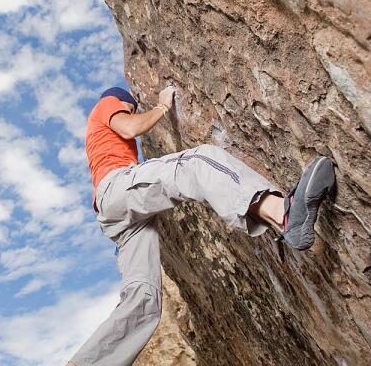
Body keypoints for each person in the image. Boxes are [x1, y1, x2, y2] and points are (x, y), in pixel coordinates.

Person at [67, 86, 336, 366]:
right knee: (196, 163)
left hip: (117, 216)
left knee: (143, 297)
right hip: (116, 187)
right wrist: (161, 107)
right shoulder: (108, 104)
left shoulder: (97, 140)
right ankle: (283, 213)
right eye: (131, 105)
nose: (132, 109)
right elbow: (129, 128)